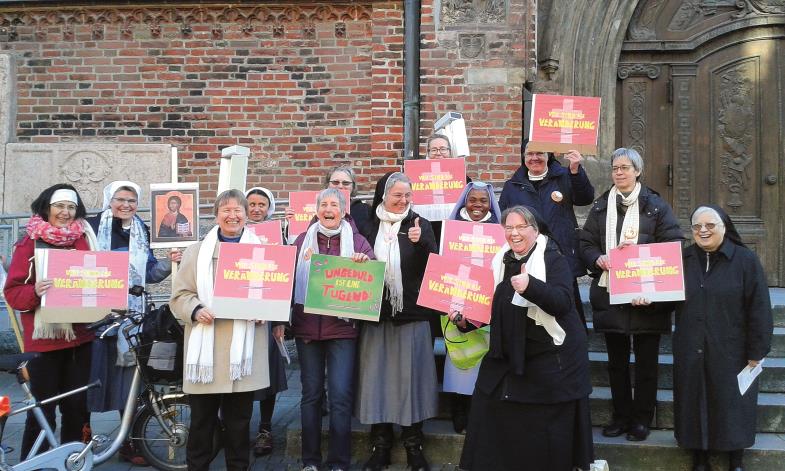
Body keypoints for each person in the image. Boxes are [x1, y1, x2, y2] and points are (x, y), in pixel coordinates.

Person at [454, 205, 593, 471]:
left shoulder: (552, 258)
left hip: (552, 356)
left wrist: (531, 287)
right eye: (508, 227)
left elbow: (563, 303)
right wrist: (463, 320)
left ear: (535, 229)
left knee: (542, 427)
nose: (514, 234)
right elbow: (488, 307)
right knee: (488, 399)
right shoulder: (500, 260)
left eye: (520, 227)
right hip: (510, 351)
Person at [579, 148, 684, 442]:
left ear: (638, 171)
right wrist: (597, 258)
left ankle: (642, 419)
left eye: (625, 167)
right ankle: (621, 416)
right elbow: (585, 242)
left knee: (647, 365)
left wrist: (651, 290)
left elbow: (673, 244)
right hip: (612, 296)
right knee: (617, 364)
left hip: (647, 302)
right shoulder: (602, 207)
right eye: (615, 168)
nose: (619, 173)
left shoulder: (656, 207)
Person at [170, 189, 270, 471]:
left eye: (238, 210)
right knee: (202, 423)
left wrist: (265, 312)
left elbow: (272, 293)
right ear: (216, 215)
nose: (232, 215)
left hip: (244, 353)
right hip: (207, 352)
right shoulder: (197, 252)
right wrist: (195, 309)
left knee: (239, 425)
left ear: (246, 215)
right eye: (225, 210)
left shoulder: (261, 251)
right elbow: (179, 295)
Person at [86, 181, 179, 465]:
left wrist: (168, 262)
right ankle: (82, 433)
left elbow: (149, 272)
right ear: (108, 200)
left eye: (131, 200)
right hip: (97, 317)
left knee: (130, 383)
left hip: (131, 316)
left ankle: (128, 439)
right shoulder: (91, 227)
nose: (126, 205)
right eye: (120, 199)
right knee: (91, 377)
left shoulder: (141, 230)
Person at [673, 205, 773, 471]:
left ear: (724, 227)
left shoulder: (745, 260)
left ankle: (735, 461)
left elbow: (760, 307)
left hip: (732, 348)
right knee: (694, 401)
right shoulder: (682, 260)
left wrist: (757, 350)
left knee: (732, 404)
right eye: (696, 226)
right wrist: (644, 296)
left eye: (709, 225)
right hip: (691, 345)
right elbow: (665, 300)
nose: (702, 231)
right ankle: (700, 458)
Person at [4, 183, 98, 458]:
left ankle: (74, 459)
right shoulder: (28, 244)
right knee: (42, 410)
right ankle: (35, 461)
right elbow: (12, 293)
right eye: (59, 206)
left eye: (71, 207)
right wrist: (34, 291)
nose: (65, 212)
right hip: (44, 343)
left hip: (81, 337)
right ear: (47, 208)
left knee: (77, 407)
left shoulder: (86, 239)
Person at [356, 172, 438, 471]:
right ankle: (380, 445)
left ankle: (414, 445)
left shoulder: (420, 224)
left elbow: (434, 270)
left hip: (411, 316)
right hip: (376, 315)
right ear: (384, 195)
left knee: (411, 381)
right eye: (397, 195)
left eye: (407, 195)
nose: (403, 200)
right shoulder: (366, 225)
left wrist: (421, 245)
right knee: (376, 381)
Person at [291, 188, 376, 471]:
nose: (329, 209)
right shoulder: (301, 241)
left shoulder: (359, 242)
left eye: (334, 205)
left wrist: (366, 265)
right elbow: (283, 280)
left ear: (343, 211)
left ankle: (339, 462)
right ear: (316, 211)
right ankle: (310, 462)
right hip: (307, 330)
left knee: (340, 396)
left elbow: (373, 281)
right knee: (311, 395)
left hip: (342, 330)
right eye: (323, 205)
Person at [499, 143, 594, 326]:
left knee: (569, 313)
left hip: (561, 256)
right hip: (526, 258)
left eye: (540, 153)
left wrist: (575, 171)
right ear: (523, 156)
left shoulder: (564, 176)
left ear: (549, 154)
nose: (534, 158)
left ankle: (573, 350)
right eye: (530, 154)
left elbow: (585, 198)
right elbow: (504, 223)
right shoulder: (512, 186)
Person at [442, 181, 501, 434]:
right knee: (458, 361)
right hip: (456, 300)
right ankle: (459, 409)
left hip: (486, 302)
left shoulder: (498, 231)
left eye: (483, 201)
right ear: (464, 201)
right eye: (473, 200)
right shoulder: (452, 229)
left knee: (484, 361)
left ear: (491, 204)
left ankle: (481, 411)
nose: (478, 205)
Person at [244, 186, 289, 456]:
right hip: (240, 311)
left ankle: (265, 428)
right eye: (252, 203)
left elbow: (285, 276)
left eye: (262, 204)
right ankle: (238, 428)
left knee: (268, 374)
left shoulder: (278, 236)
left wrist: (281, 319)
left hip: (269, 313)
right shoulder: (235, 236)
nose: (257, 209)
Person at [325, 165, 372, 233]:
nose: (340, 186)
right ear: (327, 185)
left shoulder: (364, 211)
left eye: (346, 183)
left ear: (353, 187)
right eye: (335, 182)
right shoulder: (316, 208)